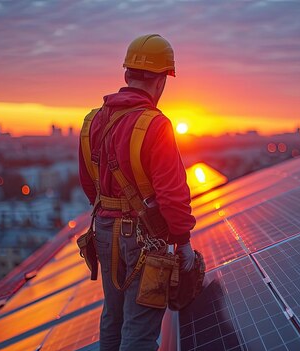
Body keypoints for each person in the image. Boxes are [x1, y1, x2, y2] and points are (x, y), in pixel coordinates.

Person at [78, 34, 196, 351]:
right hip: (145, 241)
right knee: (140, 331)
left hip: (103, 230)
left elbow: (90, 186)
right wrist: (183, 242)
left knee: (113, 318)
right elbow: (172, 194)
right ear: (161, 81)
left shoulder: (91, 121)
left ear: (126, 74)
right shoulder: (156, 125)